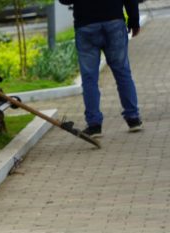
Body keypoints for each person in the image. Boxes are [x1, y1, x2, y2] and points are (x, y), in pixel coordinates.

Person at [59, 0, 142, 138]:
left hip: (86, 25)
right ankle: (133, 118)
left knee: (89, 78)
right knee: (122, 72)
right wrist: (134, 20)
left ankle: (94, 125)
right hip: (114, 21)